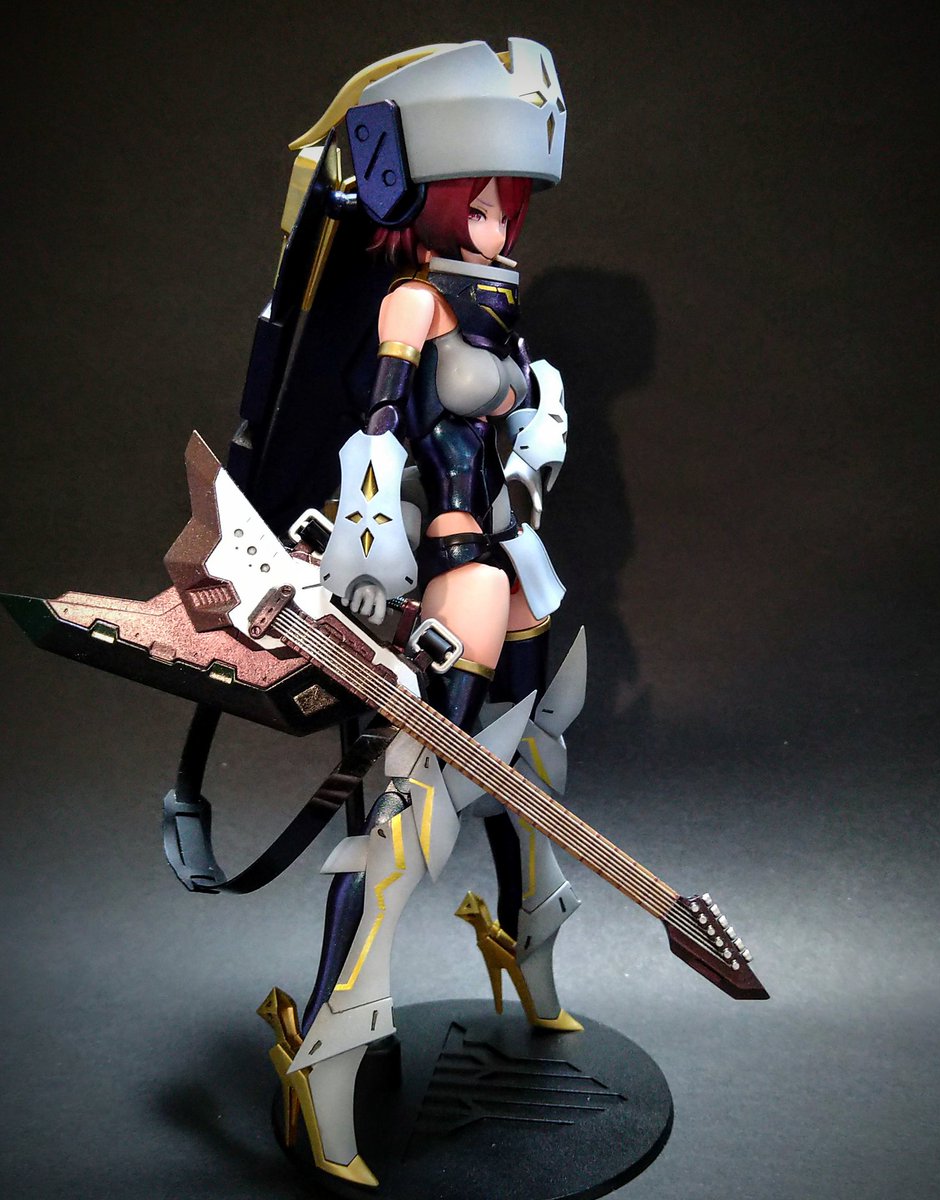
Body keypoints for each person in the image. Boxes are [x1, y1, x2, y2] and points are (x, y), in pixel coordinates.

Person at [257, 39, 586, 1187]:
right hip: (450, 558)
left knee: (537, 761)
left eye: (508, 209)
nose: (495, 226)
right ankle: (332, 1041)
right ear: (430, 201)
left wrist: (538, 431)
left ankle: (531, 955)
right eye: (477, 206)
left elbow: (515, 433)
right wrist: (363, 542)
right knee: (413, 794)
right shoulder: (411, 300)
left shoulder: (500, 313)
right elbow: (381, 433)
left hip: (513, 555)